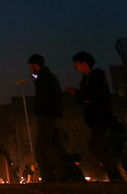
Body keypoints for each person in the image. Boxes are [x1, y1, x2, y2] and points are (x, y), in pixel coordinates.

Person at [66, 51, 127, 182]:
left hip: (102, 119)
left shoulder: (96, 77)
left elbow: (94, 95)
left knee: (95, 147)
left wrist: (79, 93)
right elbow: (85, 98)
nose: (74, 66)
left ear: (84, 63)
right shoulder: (84, 80)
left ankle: (116, 175)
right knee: (103, 148)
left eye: (76, 63)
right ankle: (116, 177)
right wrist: (78, 95)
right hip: (94, 121)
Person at [27, 54, 84, 182]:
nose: (30, 69)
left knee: (41, 149)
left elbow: (43, 97)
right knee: (60, 151)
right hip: (55, 116)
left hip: (47, 116)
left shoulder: (44, 78)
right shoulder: (49, 77)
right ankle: (77, 177)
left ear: (36, 65)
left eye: (31, 66)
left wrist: (39, 111)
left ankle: (49, 179)